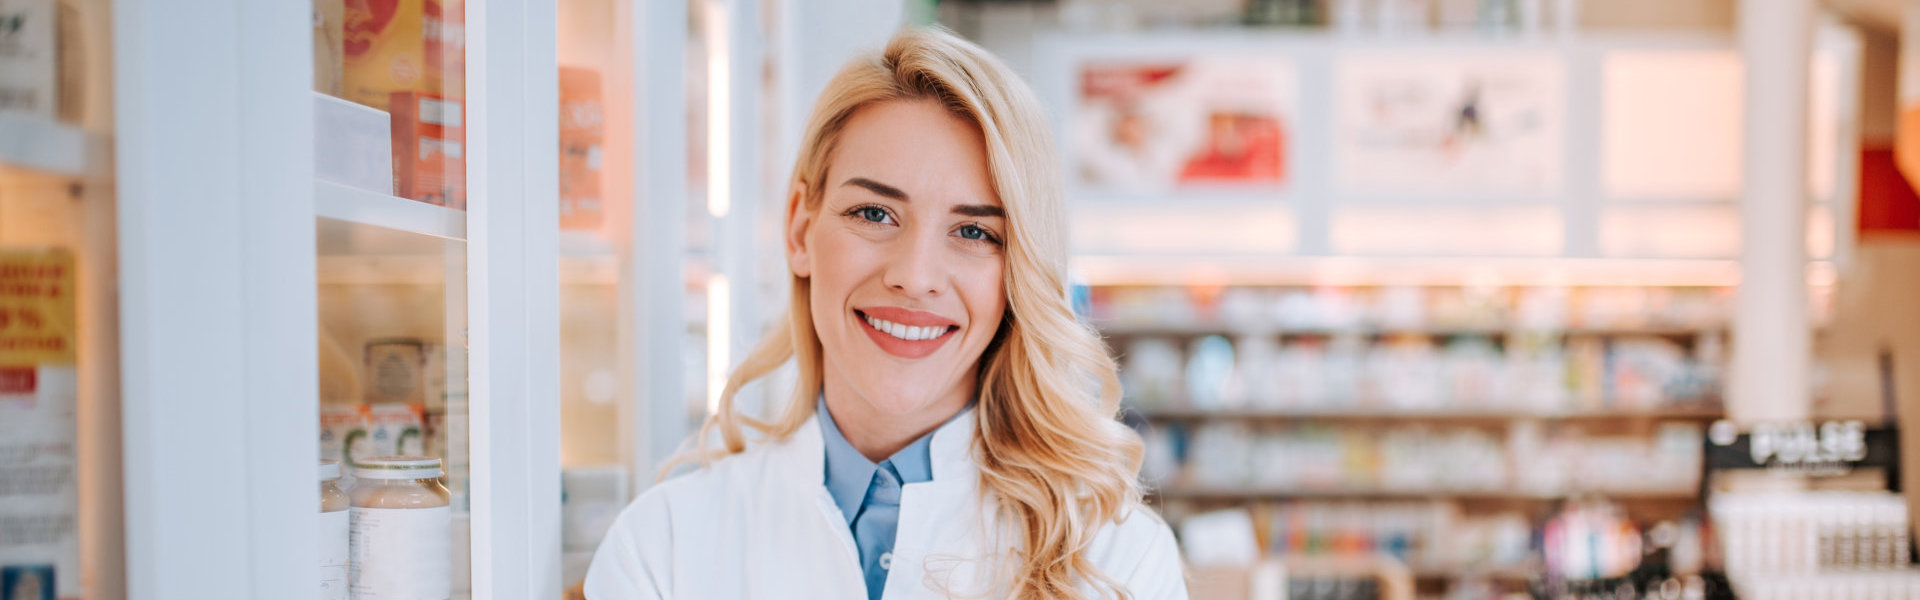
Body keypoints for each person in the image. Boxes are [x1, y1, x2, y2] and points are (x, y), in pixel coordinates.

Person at [584, 27, 1186, 599]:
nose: (914, 276)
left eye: (974, 231)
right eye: (874, 214)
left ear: (1017, 271)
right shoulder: (663, 547)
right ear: (799, 228)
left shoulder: (1114, 559)